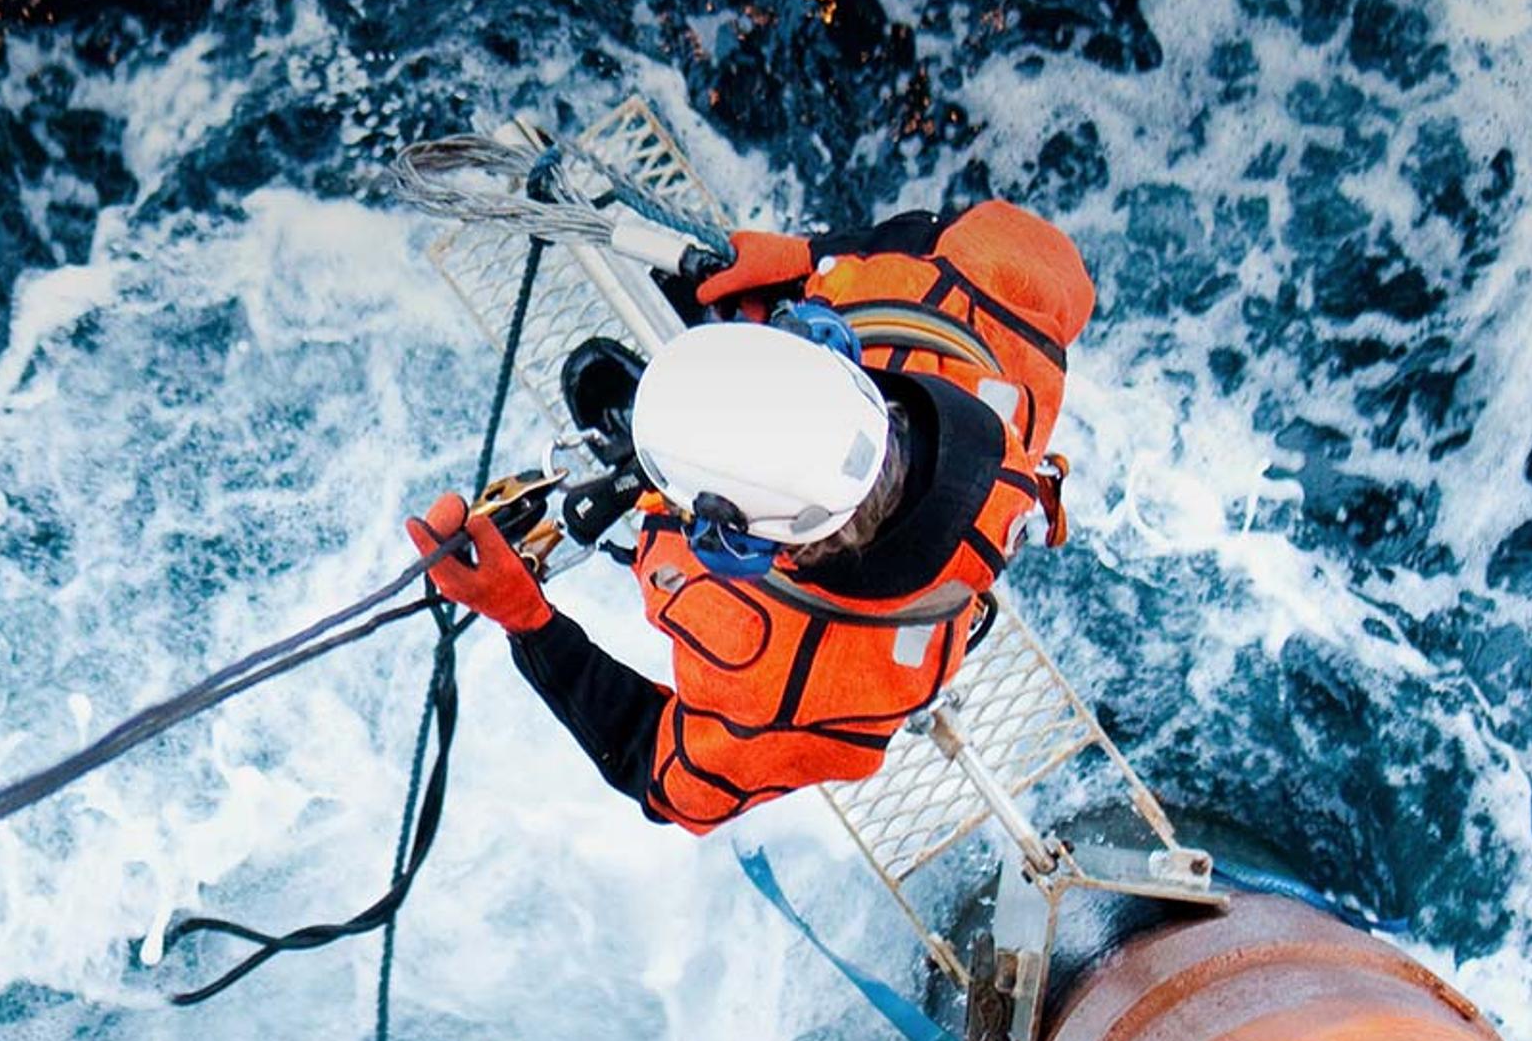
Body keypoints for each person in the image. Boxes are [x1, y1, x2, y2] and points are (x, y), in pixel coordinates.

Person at [409, 199, 1093, 832]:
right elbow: (1051, 266)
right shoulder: (951, 313)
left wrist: (529, 621)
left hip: (849, 660)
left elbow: (663, 775)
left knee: (673, 571)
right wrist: (811, 256)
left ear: (741, 546)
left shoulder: (781, 690)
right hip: (950, 500)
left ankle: (639, 492)